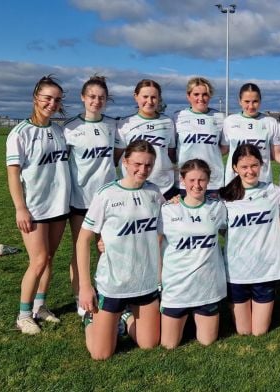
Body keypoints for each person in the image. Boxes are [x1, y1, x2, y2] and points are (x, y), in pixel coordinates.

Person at [77, 140, 163, 360]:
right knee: (101, 354)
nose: (142, 170)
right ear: (125, 162)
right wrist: (86, 287)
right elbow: (83, 239)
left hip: (145, 281)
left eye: (148, 165)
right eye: (137, 164)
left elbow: (164, 231)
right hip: (114, 283)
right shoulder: (106, 194)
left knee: (149, 344)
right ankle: (90, 319)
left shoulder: (154, 193)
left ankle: (124, 316)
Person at [6, 75, 71, 335]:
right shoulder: (20, 133)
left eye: (56, 99)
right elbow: (13, 173)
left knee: (49, 259)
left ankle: (40, 306)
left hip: (59, 206)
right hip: (35, 207)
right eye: (47, 98)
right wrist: (20, 208)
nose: (52, 103)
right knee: (39, 259)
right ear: (36, 98)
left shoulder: (58, 130)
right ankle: (23, 315)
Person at [64, 75, 118, 317]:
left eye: (101, 98)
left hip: (108, 200)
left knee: (107, 247)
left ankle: (111, 293)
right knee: (80, 249)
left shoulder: (112, 125)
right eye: (92, 97)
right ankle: (81, 298)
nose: (96, 101)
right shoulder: (70, 127)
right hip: (81, 199)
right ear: (83, 98)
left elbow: (117, 156)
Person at [159, 159, 227, 347]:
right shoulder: (168, 210)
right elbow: (152, 244)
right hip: (176, 288)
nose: (197, 185)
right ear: (182, 181)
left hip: (208, 287)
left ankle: (193, 316)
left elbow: (233, 233)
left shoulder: (218, 207)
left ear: (208, 181)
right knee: (168, 345)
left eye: (202, 180)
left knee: (207, 341)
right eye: (192, 180)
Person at [220, 144, 280, 336]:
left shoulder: (274, 191)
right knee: (244, 330)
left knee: (259, 331)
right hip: (237, 271)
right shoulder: (225, 197)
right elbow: (221, 229)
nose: (250, 171)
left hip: (266, 270)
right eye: (244, 167)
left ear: (262, 165)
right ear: (234, 168)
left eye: (254, 165)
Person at [116, 79, 178, 199]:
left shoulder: (168, 122)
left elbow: (170, 154)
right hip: (134, 188)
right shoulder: (124, 123)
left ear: (159, 98)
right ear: (136, 96)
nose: (149, 101)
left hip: (164, 188)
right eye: (145, 96)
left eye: (154, 97)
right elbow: (117, 157)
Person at [173, 77, 225, 197]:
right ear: (188, 96)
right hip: (185, 181)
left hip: (213, 182)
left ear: (210, 95)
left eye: (205, 94)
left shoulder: (219, 117)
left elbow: (224, 148)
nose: (200, 98)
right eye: (196, 94)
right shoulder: (178, 117)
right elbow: (172, 149)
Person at [221, 83, 279, 185]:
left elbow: (276, 155)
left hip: (263, 182)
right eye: (247, 101)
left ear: (260, 101)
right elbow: (224, 150)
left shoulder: (271, 122)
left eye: (255, 101)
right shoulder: (230, 121)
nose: (251, 106)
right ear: (240, 101)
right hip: (234, 183)